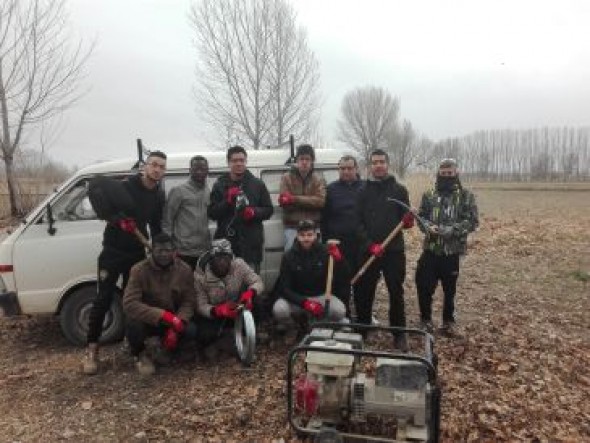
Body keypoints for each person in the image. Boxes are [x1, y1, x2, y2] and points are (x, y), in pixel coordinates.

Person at [83, 150, 167, 375]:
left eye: (161, 166)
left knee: (134, 304)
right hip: (112, 252)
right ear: (145, 166)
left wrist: (161, 248)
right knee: (103, 299)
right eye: (153, 164)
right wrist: (118, 220)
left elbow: (156, 226)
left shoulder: (158, 196)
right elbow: (98, 194)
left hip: (136, 254)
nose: (157, 169)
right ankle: (92, 350)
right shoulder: (126, 186)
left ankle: (137, 352)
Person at [355, 149, 414, 351]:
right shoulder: (362, 191)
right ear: (370, 166)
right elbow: (357, 222)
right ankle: (363, 328)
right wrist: (369, 245)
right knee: (364, 291)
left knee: (395, 291)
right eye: (374, 162)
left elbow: (407, 222)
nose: (378, 165)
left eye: (381, 161)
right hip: (368, 250)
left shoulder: (399, 190)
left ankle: (398, 333)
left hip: (393, 251)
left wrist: (408, 221)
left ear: (388, 164)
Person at [415, 158, 479, 336]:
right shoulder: (429, 194)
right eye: (443, 174)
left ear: (456, 174)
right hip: (431, 250)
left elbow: (473, 221)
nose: (446, 177)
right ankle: (425, 320)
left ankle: (448, 322)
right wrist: (427, 226)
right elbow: (420, 217)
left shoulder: (466, 196)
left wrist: (452, 230)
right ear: (438, 174)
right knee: (423, 285)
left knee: (449, 289)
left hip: (452, 252)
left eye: (449, 174)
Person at [122, 233, 197, 375]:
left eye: (168, 250)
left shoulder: (184, 269)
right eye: (159, 250)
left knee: (191, 329)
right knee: (133, 324)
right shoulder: (138, 270)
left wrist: (178, 322)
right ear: (152, 251)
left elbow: (189, 301)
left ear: (174, 251)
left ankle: (168, 349)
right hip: (149, 320)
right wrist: (162, 315)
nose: (164, 254)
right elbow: (129, 303)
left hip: (173, 321)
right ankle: (141, 354)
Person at [208, 146, 273, 273]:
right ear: (228, 162)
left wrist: (254, 212)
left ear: (246, 162)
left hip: (251, 243)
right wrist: (227, 202)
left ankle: (249, 294)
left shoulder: (257, 184)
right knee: (227, 285)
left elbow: (269, 210)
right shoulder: (219, 185)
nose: (239, 163)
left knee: (250, 286)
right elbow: (212, 213)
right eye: (235, 160)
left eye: (242, 160)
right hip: (226, 244)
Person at [194, 239, 264, 356]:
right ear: (212, 259)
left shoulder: (239, 265)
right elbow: (200, 305)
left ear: (231, 258)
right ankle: (221, 341)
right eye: (218, 258)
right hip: (215, 313)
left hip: (236, 307)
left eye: (226, 258)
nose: (222, 262)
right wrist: (217, 310)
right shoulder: (200, 275)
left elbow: (257, 281)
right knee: (204, 335)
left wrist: (249, 294)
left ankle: (248, 336)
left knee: (258, 303)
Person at [273, 220, 348, 329]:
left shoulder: (325, 252)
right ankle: (292, 327)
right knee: (279, 310)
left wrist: (340, 260)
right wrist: (305, 303)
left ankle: (324, 325)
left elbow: (345, 275)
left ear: (315, 236)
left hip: (321, 296)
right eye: (302, 235)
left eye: (309, 235)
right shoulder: (288, 256)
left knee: (339, 311)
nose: (306, 238)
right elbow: (284, 289)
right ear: (297, 236)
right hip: (297, 298)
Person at [320, 155, 364, 317]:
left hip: (360, 243)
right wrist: (326, 243)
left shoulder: (365, 187)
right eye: (342, 168)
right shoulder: (331, 189)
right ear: (338, 169)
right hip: (338, 244)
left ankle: (362, 317)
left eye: (349, 168)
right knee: (340, 282)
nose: (346, 171)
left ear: (356, 169)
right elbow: (324, 218)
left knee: (361, 281)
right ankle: (343, 316)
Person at [162, 155, 211, 270]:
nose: (199, 172)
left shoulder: (208, 191)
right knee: (182, 285)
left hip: (203, 250)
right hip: (183, 251)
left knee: (200, 285)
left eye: (203, 169)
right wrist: (169, 248)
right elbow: (167, 221)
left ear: (207, 171)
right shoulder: (178, 191)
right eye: (196, 169)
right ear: (190, 170)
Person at [278, 144, 326, 250]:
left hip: (313, 228)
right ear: (297, 160)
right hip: (292, 227)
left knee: (316, 260)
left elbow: (321, 202)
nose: (304, 162)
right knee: (291, 260)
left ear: (312, 161)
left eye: (307, 159)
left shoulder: (318, 179)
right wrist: (310, 202)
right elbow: (285, 204)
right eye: (301, 159)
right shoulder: (286, 178)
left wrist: (294, 199)